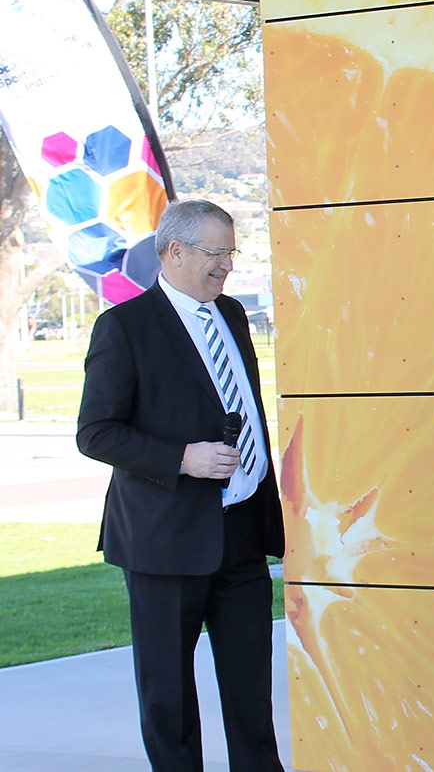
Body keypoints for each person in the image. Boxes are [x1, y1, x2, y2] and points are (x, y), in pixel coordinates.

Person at [77, 199, 285, 772]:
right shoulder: (124, 328)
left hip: (241, 535)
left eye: (231, 254)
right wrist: (182, 458)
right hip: (164, 542)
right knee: (168, 698)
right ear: (174, 252)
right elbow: (95, 433)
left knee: (251, 695)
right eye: (216, 254)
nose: (226, 267)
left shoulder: (234, 316)